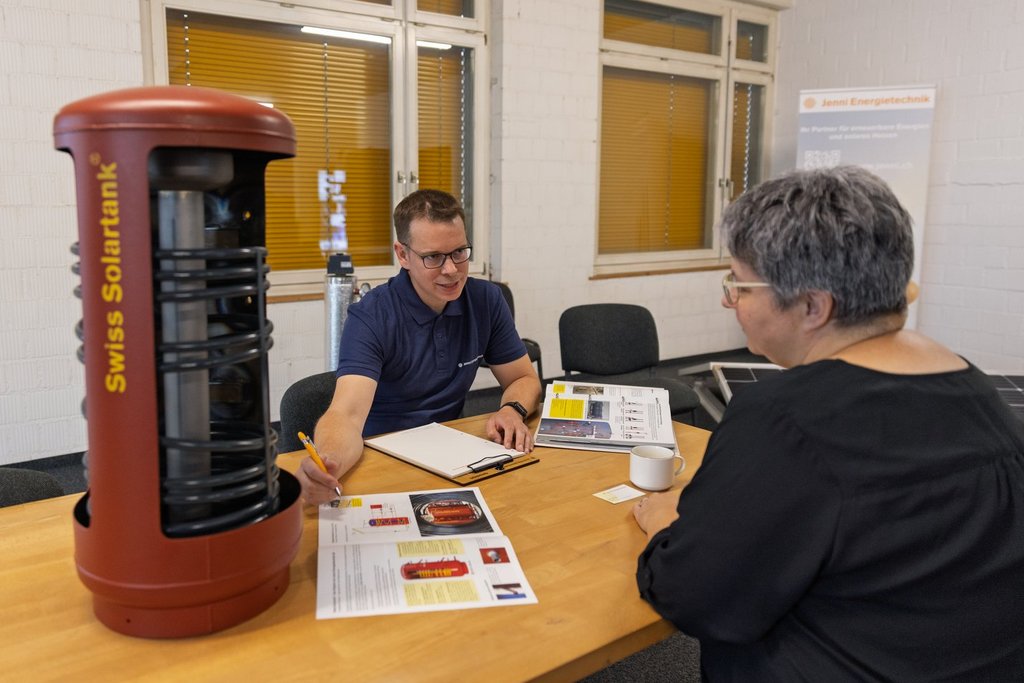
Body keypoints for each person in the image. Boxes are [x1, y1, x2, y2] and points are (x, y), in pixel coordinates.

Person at [632, 166, 1024, 680]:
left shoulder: (784, 420)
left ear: (813, 306)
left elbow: (697, 598)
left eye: (740, 287)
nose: (732, 303)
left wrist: (666, 527)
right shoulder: (980, 394)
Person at [297, 189, 541, 506]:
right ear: (403, 255)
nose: (451, 269)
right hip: (380, 457)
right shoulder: (372, 315)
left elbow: (524, 379)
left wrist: (512, 410)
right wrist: (327, 462)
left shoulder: (486, 300)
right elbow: (346, 413)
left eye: (459, 252)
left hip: (454, 456)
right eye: (433, 257)